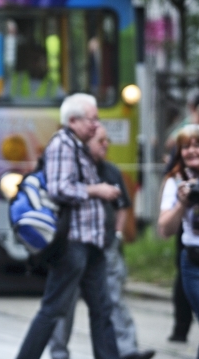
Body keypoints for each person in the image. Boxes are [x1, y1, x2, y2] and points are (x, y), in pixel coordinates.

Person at [16, 93, 121, 359]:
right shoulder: (63, 144)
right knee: (53, 309)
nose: (97, 125)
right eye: (92, 120)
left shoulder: (78, 145)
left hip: (90, 242)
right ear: (73, 121)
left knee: (102, 310)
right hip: (72, 242)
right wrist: (97, 189)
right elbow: (59, 187)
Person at [49, 126, 155, 359]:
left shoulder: (111, 171)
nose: (106, 144)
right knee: (63, 303)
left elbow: (123, 207)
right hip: (74, 246)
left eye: (107, 140)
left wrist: (116, 236)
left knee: (111, 300)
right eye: (100, 141)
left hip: (105, 247)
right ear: (85, 144)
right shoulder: (73, 170)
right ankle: (58, 353)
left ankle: (126, 350)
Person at [159, 124, 199, 359]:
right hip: (194, 263)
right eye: (185, 147)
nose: (191, 151)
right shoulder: (176, 181)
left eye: (196, 145)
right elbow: (165, 229)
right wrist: (181, 204)